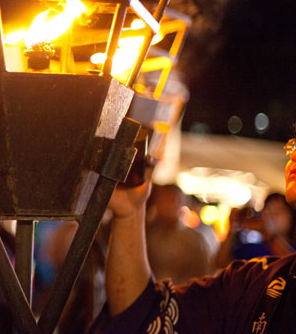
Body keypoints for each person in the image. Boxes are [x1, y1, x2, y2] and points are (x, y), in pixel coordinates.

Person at [87, 133, 296, 333]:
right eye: (293, 143)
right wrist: (129, 214)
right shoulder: (256, 286)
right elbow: (146, 317)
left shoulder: (194, 239)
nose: (293, 154)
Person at [145, 184, 213, 285]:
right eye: (162, 199)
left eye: (170, 200)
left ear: (180, 203)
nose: (165, 205)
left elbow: (203, 275)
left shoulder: (194, 239)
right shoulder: (149, 234)